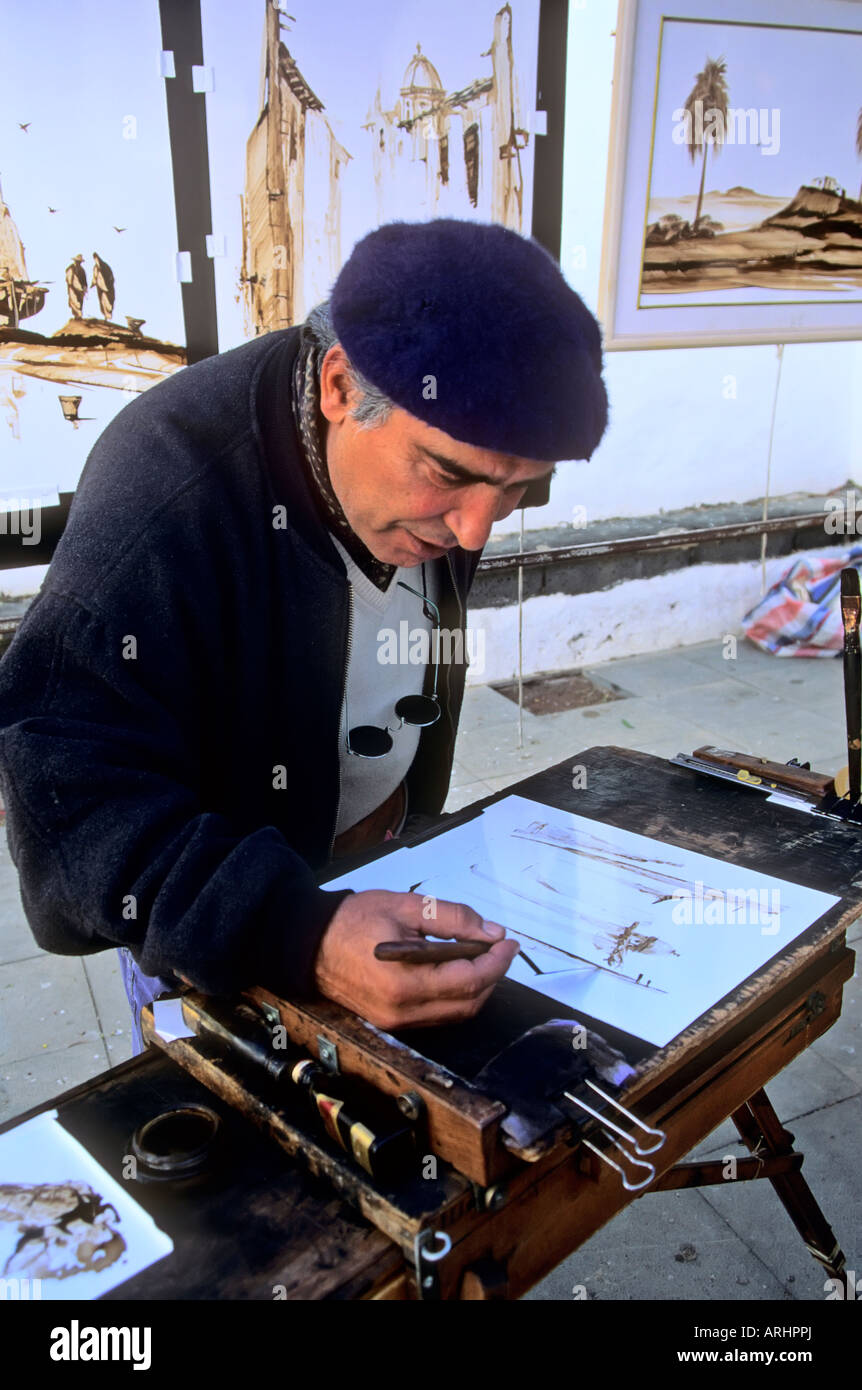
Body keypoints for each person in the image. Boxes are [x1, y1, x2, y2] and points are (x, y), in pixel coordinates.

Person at [0, 218, 608, 1050]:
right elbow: (66, 798)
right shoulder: (164, 488)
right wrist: (294, 932)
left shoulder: (447, 455)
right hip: (218, 938)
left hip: (382, 862)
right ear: (339, 388)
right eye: (448, 475)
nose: (475, 531)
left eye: (518, 491)